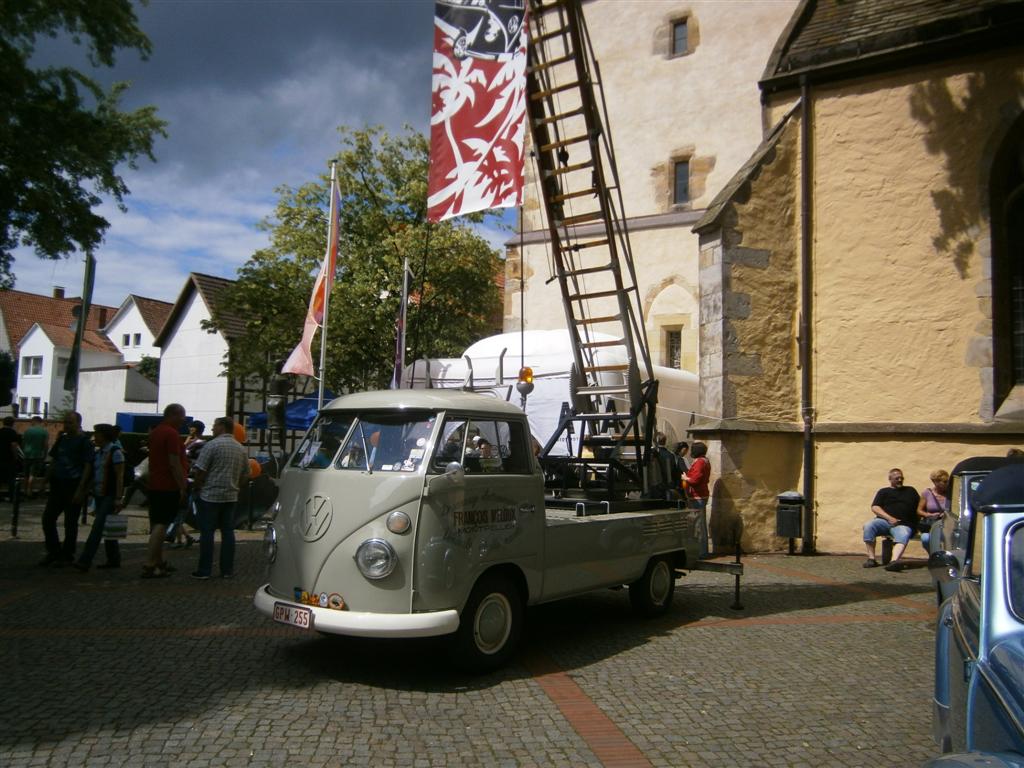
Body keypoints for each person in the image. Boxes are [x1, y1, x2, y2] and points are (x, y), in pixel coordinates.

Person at [191, 417, 249, 579]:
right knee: (228, 533)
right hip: (230, 496)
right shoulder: (240, 449)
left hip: (210, 495)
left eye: (214, 425)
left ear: (222, 426)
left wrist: (197, 486)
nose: (212, 429)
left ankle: (204, 570)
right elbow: (247, 474)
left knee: (207, 533)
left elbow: (200, 470)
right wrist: (236, 486)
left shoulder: (212, 445)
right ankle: (227, 570)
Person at [39, 412, 93, 565]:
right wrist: (45, 481)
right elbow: (54, 461)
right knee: (48, 518)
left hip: (73, 484)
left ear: (78, 423)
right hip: (58, 484)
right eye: (65, 422)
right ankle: (54, 550)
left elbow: (88, 466)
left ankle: (67, 554)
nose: (67, 425)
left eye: (70, 423)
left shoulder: (84, 442)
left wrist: (81, 489)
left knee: (70, 522)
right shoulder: (62, 439)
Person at [144, 404, 188, 578]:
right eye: (182, 416)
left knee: (157, 523)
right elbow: (173, 462)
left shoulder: (156, 432)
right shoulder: (170, 434)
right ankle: (149, 563)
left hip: (155, 484)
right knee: (162, 524)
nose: (184, 420)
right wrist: (182, 485)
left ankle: (159, 561)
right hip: (167, 485)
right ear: (174, 415)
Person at [74, 424, 125, 571]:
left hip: (109, 495)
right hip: (99, 494)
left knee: (97, 528)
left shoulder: (115, 452)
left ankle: (85, 560)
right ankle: (114, 558)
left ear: (104, 435)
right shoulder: (98, 453)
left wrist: (118, 497)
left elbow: (119, 476)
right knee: (109, 526)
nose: (94, 436)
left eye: (96, 434)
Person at [863, 468, 920, 571]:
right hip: (884, 521)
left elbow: (919, 507)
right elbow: (875, 507)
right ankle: (871, 559)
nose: (899, 480)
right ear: (890, 479)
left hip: (903, 523)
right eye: (896, 478)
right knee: (869, 526)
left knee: (903, 533)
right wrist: (889, 518)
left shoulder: (910, 491)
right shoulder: (883, 492)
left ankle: (893, 562)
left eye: (901, 478)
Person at [682, 441, 711, 557]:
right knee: (700, 524)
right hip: (701, 495)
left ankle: (701, 552)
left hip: (697, 496)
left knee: (699, 525)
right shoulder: (705, 461)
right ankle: (702, 551)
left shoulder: (699, 462)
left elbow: (695, 480)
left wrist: (685, 478)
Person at [917, 469, 948, 548]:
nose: (947, 484)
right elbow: (919, 511)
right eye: (944, 482)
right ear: (936, 482)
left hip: (947, 526)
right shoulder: (927, 493)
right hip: (931, 525)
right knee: (925, 538)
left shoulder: (951, 494)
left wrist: (947, 514)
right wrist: (928, 515)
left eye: (947, 481)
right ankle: (933, 556)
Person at [21, 416, 48, 498]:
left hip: (27, 454)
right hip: (38, 455)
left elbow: (23, 443)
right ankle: (29, 490)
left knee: (26, 474)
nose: (30, 423)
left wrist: (24, 451)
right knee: (33, 473)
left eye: (31, 421)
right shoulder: (44, 432)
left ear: (34, 421)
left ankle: (25, 490)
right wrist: (45, 454)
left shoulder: (27, 431)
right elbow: (45, 445)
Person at [0, 415, 22, 501]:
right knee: (11, 478)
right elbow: (14, 446)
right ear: (12, 424)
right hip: (9, 457)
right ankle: (12, 496)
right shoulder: (12, 433)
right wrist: (16, 457)